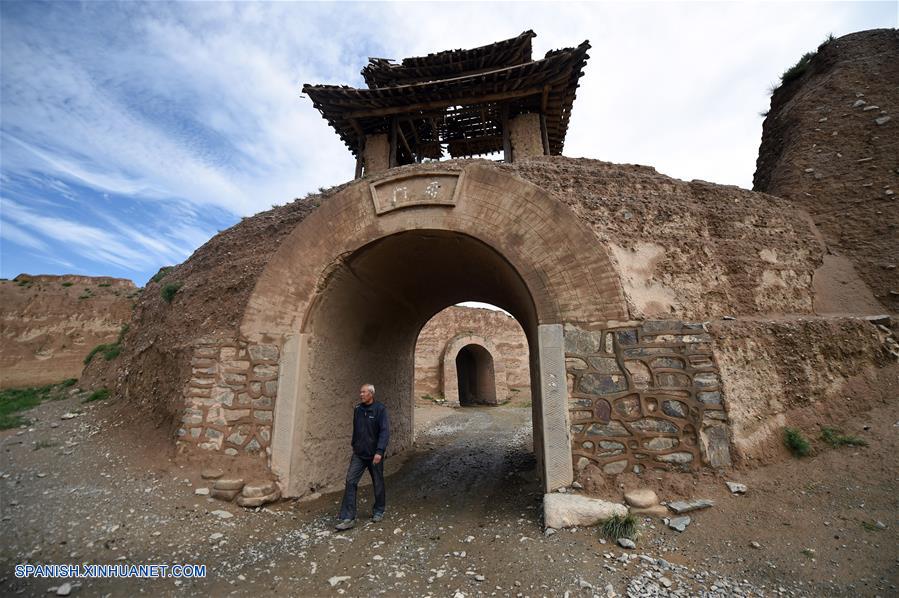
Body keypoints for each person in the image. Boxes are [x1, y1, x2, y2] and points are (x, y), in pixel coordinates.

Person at [335, 383, 389, 530]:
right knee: (350, 481)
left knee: (377, 482)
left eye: (364, 392)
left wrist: (379, 451)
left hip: (374, 455)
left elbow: (384, 432)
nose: (361, 394)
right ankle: (348, 517)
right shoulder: (358, 410)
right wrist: (354, 444)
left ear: (371, 394)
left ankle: (379, 510)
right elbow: (356, 428)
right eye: (360, 392)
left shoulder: (380, 410)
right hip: (359, 454)